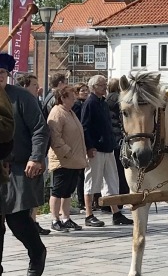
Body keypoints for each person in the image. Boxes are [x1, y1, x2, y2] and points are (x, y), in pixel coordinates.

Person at [0, 53, 49, 276]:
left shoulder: (21, 98)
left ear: (7, 75)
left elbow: (40, 129)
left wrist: (36, 157)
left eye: (1, 73)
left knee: (17, 219)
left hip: (19, 166)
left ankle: (36, 251)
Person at [81, 75, 133, 227]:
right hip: (96, 149)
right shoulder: (90, 103)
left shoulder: (102, 102)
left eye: (105, 84)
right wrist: (90, 146)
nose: (105, 87)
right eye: (101, 85)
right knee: (91, 181)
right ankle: (88, 214)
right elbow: (85, 126)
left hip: (108, 147)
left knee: (112, 181)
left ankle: (116, 212)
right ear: (94, 87)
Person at [47, 85, 87, 232]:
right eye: (71, 96)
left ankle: (66, 218)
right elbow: (55, 137)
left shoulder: (69, 112)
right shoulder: (57, 113)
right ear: (62, 98)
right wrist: (67, 152)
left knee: (67, 191)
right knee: (58, 190)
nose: (74, 99)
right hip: (63, 160)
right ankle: (55, 220)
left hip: (74, 160)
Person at [15, 73, 50, 235]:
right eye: (34, 85)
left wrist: (37, 156)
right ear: (24, 87)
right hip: (17, 160)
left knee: (32, 196)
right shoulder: (15, 101)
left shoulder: (34, 102)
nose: (38, 88)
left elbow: (40, 130)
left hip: (33, 157)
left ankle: (33, 222)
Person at [105, 78, 129, 198]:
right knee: (120, 168)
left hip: (112, 135)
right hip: (117, 135)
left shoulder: (107, 98)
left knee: (114, 169)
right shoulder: (118, 99)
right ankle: (122, 193)